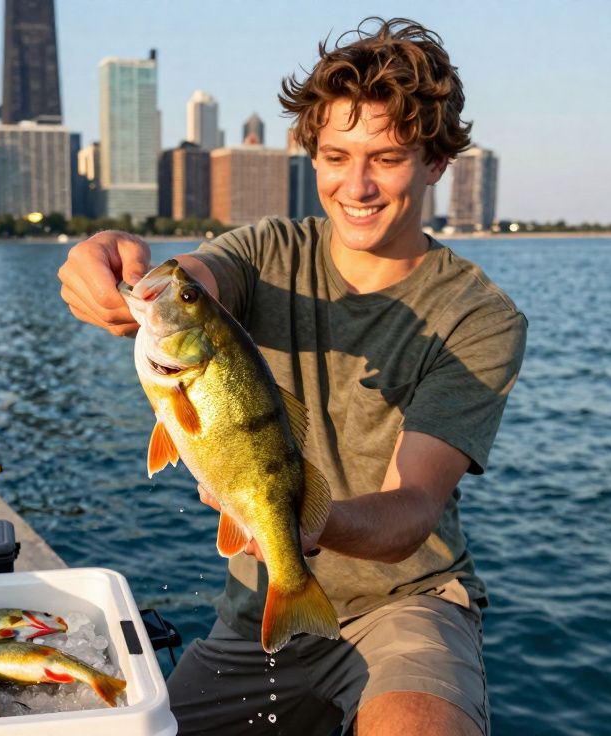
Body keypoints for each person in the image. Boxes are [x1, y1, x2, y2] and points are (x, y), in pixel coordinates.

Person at [58, 18, 526, 736]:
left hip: (408, 603)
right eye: (336, 155)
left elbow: (413, 511)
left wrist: (303, 521)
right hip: (257, 609)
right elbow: (197, 284)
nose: (357, 184)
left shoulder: (479, 316)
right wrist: (112, 260)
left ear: (435, 163)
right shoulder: (266, 250)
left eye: (389, 157)